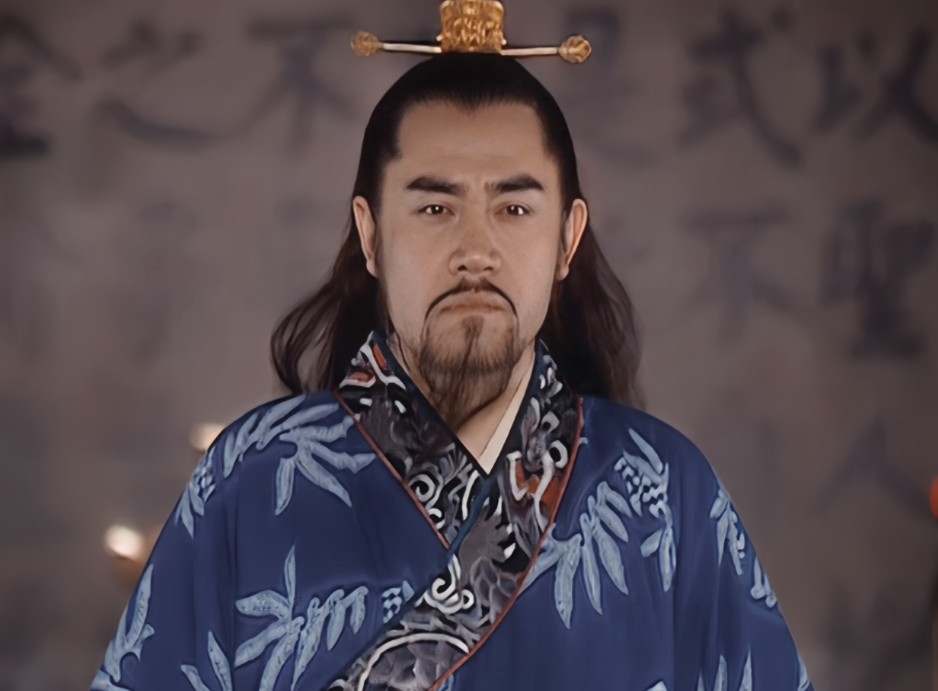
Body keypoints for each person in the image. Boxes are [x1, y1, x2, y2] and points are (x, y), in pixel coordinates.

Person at [91, 7, 812, 690]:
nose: (476, 251)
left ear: (567, 239)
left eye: (514, 208)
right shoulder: (251, 479)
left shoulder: (665, 490)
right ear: (372, 235)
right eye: (435, 208)